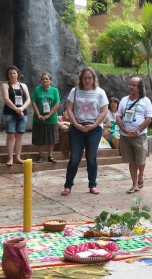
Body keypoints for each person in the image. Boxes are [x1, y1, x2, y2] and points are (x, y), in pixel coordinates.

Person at [61, 67, 108, 196]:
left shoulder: (100, 92)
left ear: (94, 79)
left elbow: (104, 111)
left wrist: (94, 125)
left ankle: (92, 185)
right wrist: (75, 123)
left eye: (90, 78)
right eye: (85, 78)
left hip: (94, 128)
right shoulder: (74, 91)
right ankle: (68, 185)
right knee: (75, 157)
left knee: (91, 157)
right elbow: (69, 109)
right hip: (77, 128)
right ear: (81, 79)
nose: (87, 80)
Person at [116, 77, 152, 194]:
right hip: (125, 135)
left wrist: (138, 130)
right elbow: (118, 116)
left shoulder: (146, 101)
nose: (131, 87)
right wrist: (123, 128)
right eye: (130, 84)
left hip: (139, 135)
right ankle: (135, 184)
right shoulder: (124, 100)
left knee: (140, 160)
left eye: (134, 85)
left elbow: (149, 118)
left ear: (140, 87)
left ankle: (141, 175)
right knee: (131, 161)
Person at [1, 65, 31, 166]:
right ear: (8, 75)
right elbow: (6, 99)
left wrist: (21, 109)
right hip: (10, 113)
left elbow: (28, 99)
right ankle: (10, 158)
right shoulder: (5, 85)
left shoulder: (24, 85)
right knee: (10, 136)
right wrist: (17, 109)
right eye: (10, 73)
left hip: (22, 114)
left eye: (14, 73)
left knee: (20, 136)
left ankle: (17, 157)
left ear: (18, 74)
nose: (12, 75)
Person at [31, 73, 60, 163]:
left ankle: (50, 156)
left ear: (50, 81)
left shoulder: (54, 90)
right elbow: (34, 103)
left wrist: (49, 115)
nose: (45, 80)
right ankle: (40, 156)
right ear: (41, 80)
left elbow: (57, 104)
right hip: (39, 119)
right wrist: (39, 114)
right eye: (43, 79)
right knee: (40, 139)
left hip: (51, 119)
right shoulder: (37, 90)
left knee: (51, 139)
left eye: (47, 79)